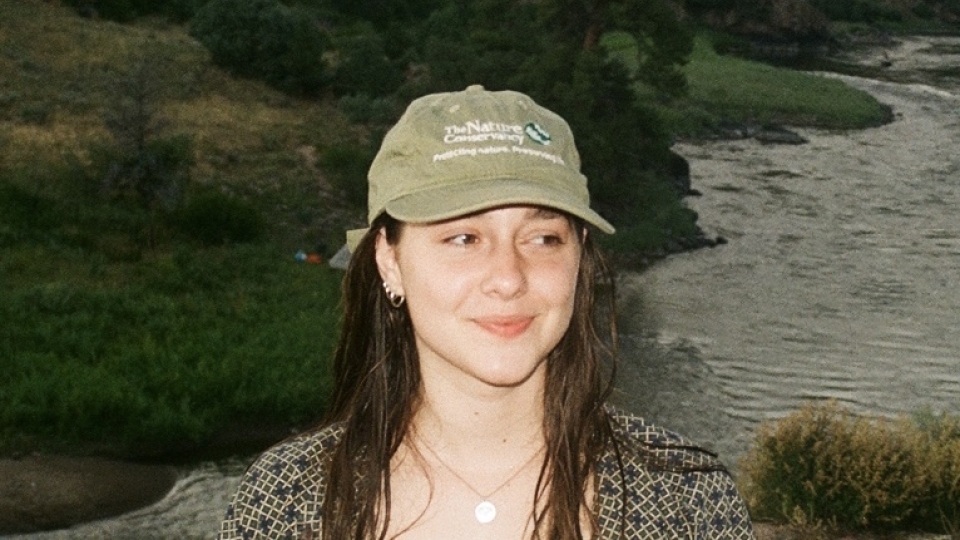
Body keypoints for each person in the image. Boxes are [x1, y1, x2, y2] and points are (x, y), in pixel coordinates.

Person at [217, 85, 755, 539]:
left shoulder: (686, 501)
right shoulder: (288, 503)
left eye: (544, 237)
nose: (508, 277)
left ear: (580, 257)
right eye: (463, 237)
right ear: (389, 260)